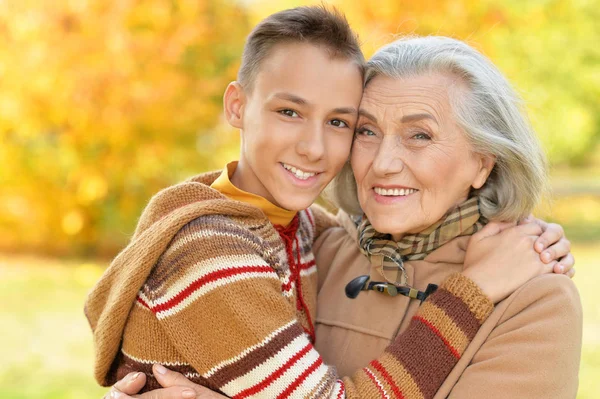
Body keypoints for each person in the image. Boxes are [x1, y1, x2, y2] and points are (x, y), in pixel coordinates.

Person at [94, 13, 576, 399]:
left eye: (419, 135)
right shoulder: (319, 249)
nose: (384, 163)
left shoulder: (533, 299)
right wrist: (472, 289)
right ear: (237, 106)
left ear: (482, 164)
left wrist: (526, 239)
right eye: (367, 130)